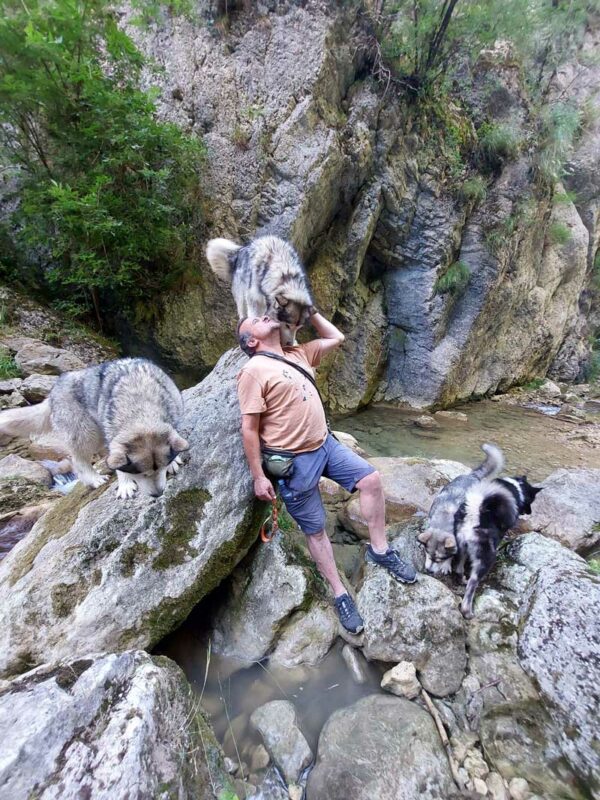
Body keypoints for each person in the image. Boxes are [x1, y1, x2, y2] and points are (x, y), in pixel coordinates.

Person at [236, 311, 416, 634]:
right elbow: (249, 429)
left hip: (326, 445)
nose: (263, 315)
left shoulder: (298, 354)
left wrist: (312, 314)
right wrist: (258, 476)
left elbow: (337, 339)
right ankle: (340, 593)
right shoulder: (253, 371)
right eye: (255, 320)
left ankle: (379, 550)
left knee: (371, 480)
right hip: (294, 463)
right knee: (316, 531)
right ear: (251, 341)